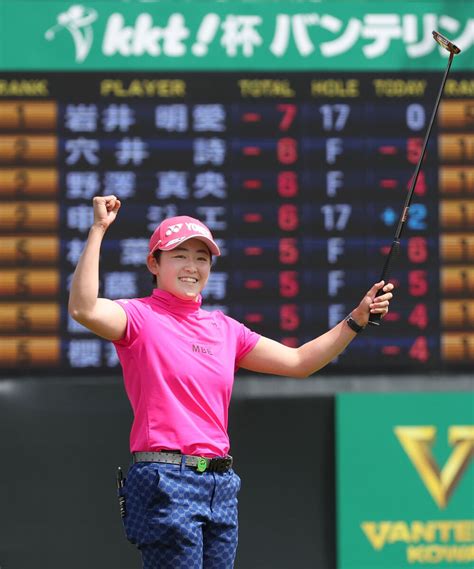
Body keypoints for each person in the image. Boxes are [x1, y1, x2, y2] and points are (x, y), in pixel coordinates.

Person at [69, 195, 394, 569]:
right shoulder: (139, 317)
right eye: (179, 255)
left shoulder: (225, 330)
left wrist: (355, 319)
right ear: (153, 264)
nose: (192, 266)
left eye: (201, 258)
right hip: (164, 480)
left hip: (220, 485)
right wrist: (98, 230)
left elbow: (299, 361)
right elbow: (84, 308)